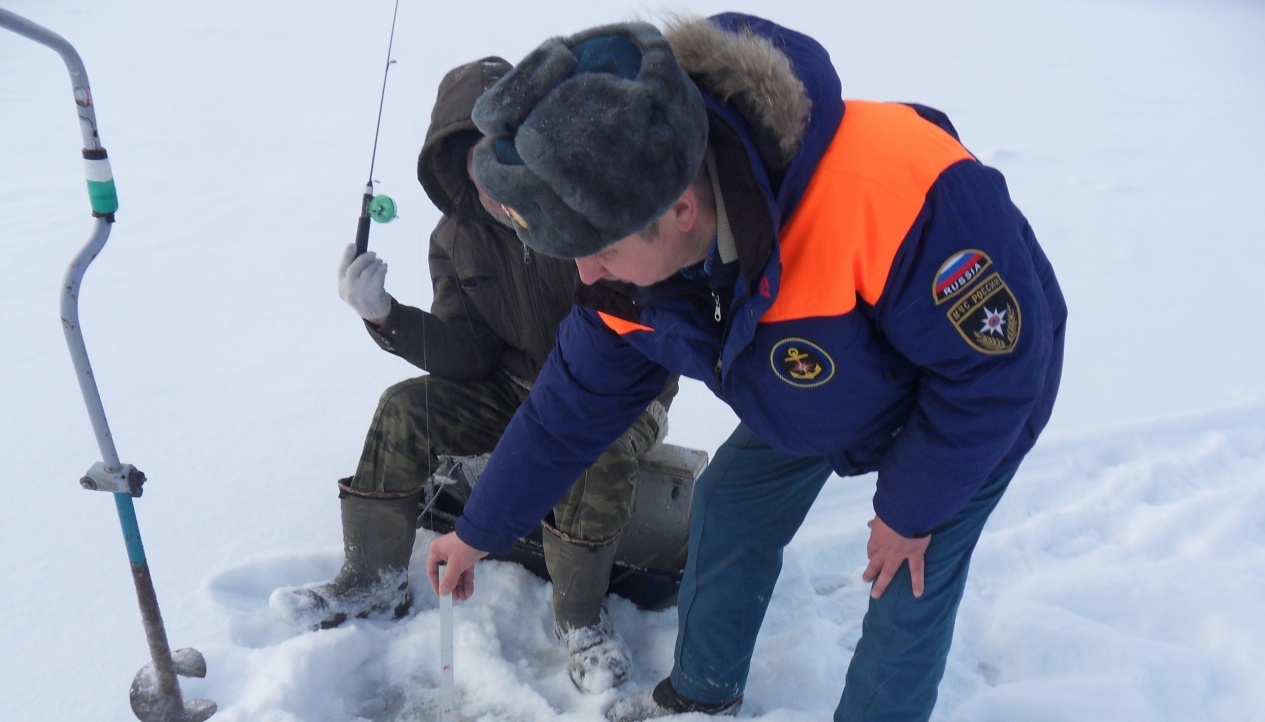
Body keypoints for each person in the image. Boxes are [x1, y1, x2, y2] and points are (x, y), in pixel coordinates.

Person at [425, 14, 1067, 722]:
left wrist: (910, 511)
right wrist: (476, 531)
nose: (585, 272)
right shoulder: (629, 273)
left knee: (904, 583)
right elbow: (564, 414)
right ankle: (699, 696)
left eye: (599, 251)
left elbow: (994, 372)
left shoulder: (896, 197)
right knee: (729, 503)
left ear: (680, 209)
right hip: (816, 381)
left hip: (971, 399)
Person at [268, 56, 675, 694]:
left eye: (501, 146)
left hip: (621, 391)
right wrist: (388, 318)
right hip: (514, 388)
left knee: (596, 450)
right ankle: (373, 580)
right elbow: (470, 353)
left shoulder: (582, 203)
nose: (487, 169)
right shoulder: (455, 239)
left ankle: (581, 621)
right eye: (470, 151)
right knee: (404, 406)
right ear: (452, 159)